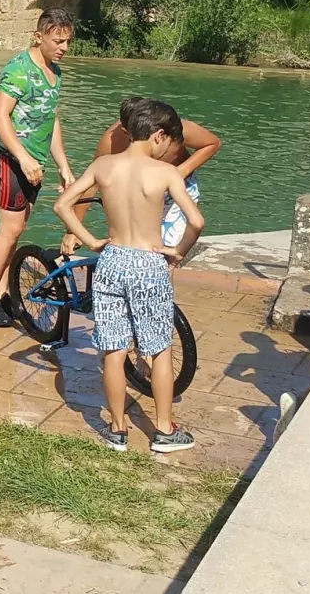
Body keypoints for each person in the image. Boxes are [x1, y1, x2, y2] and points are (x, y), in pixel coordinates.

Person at [54, 98, 205, 454]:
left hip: (112, 260)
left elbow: (62, 205)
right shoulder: (164, 172)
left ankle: (118, 430)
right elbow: (196, 221)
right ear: (157, 136)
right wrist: (177, 251)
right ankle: (165, 430)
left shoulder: (104, 165)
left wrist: (90, 239)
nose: (171, 149)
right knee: (160, 350)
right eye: (170, 142)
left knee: (113, 349)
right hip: (149, 263)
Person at [0, 8, 77, 326]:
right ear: (39, 36)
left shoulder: (54, 72)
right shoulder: (20, 69)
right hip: (9, 157)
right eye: (58, 40)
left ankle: (4, 292)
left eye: (68, 41)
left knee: (17, 229)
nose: (63, 47)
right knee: (11, 228)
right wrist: (23, 156)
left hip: (35, 161)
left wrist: (63, 164)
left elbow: (50, 118)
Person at [61, 99, 221, 256]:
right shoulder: (111, 142)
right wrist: (73, 230)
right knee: (133, 241)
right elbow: (91, 185)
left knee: (167, 250)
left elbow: (212, 143)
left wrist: (178, 173)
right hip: (140, 187)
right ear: (125, 131)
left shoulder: (172, 128)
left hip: (178, 184)